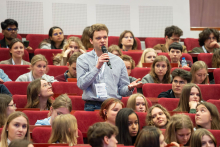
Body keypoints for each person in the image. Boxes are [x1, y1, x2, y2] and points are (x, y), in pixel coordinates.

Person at [76, 23, 141, 111]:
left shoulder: (118, 61)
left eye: (105, 37)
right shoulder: (83, 59)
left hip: (113, 106)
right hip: (92, 106)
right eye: (98, 38)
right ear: (91, 40)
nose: (102, 40)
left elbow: (122, 90)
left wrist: (129, 88)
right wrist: (97, 67)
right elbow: (81, 85)